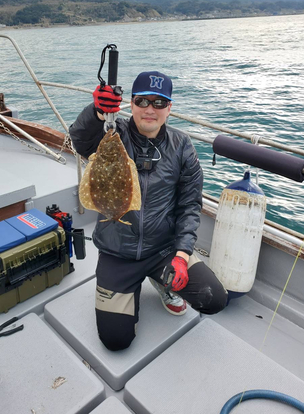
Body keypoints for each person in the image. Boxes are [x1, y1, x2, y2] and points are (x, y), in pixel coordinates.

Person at [69, 71, 227, 351]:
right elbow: (80, 139)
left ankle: (163, 280)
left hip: (163, 249)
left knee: (213, 298)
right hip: (118, 251)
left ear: (169, 108)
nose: (150, 109)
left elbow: (190, 205)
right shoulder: (112, 134)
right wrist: (96, 112)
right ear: (131, 104)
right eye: (142, 101)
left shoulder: (182, 146)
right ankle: (132, 289)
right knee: (116, 340)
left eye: (159, 102)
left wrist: (181, 254)